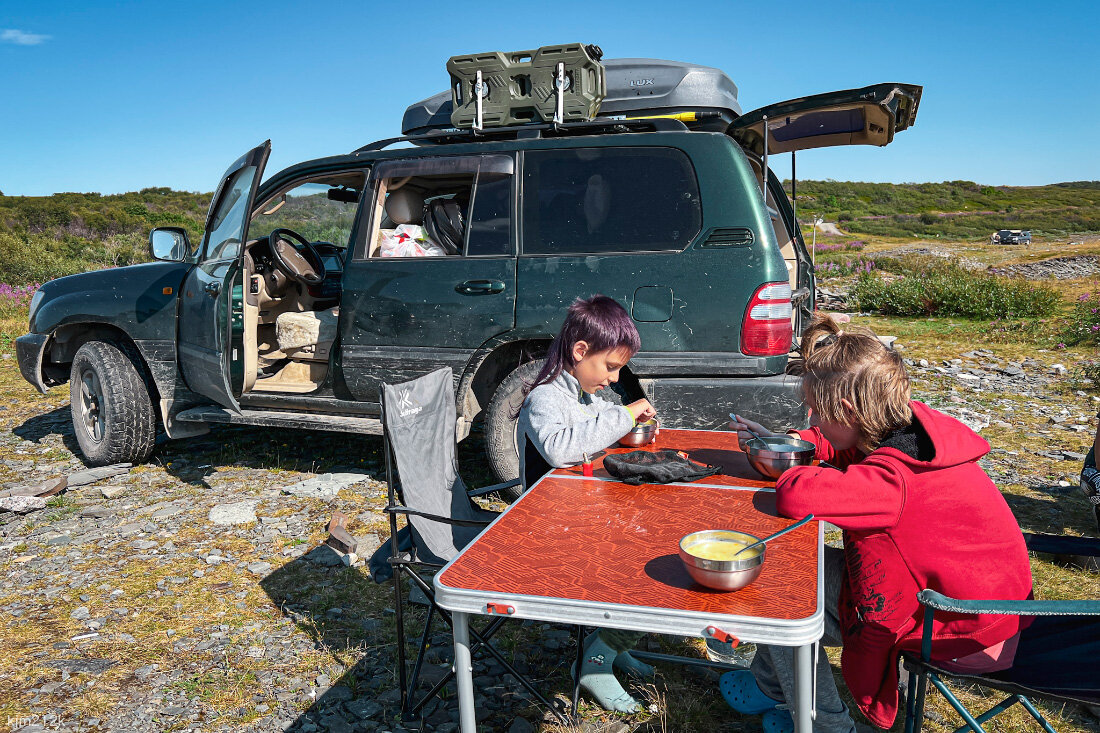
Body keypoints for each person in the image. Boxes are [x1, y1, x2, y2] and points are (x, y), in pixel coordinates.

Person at [724, 314, 1033, 733]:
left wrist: (789, 465)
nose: (812, 417)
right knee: (789, 570)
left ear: (848, 411)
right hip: (986, 607)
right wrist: (796, 442)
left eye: (817, 410)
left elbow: (796, 494)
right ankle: (773, 686)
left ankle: (826, 725)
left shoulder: (893, 482)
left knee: (776, 592)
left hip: (956, 625)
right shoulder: (915, 433)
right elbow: (845, 450)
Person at [517, 294, 657, 714]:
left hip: (577, 515)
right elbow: (561, 449)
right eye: (610, 367)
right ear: (580, 352)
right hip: (547, 532)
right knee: (650, 560)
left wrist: (637, 418)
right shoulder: (544, 398)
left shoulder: (581, 393)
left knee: (649, 534)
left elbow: (605, 419)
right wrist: (625, 416)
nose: (614, 379)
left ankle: (612, 642)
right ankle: (596, 659)